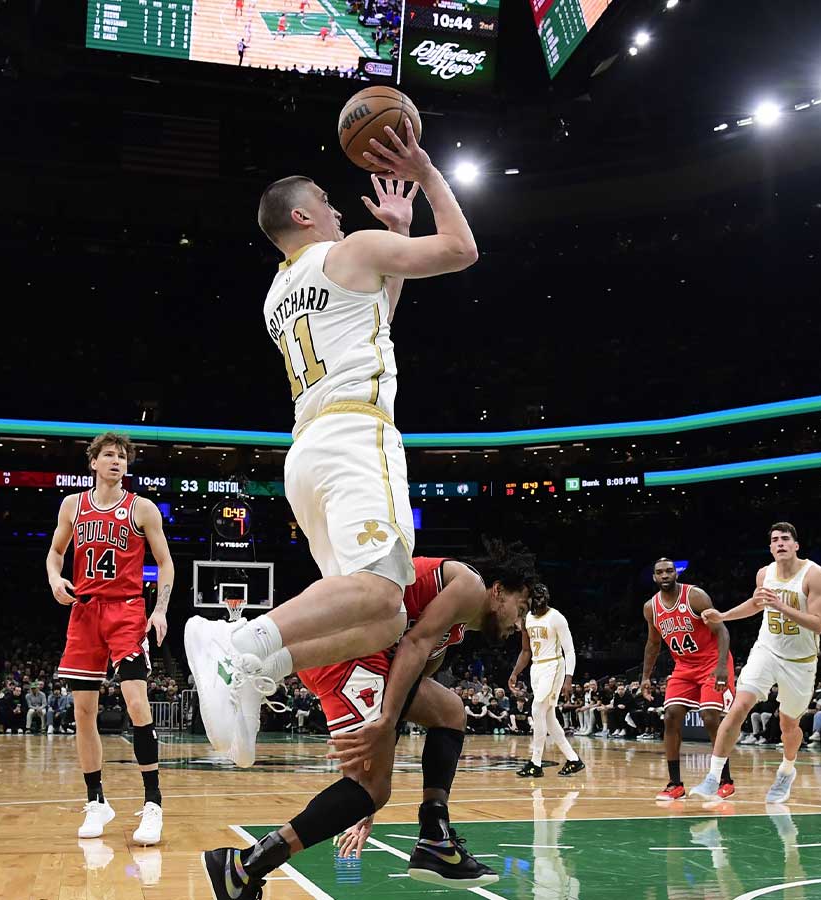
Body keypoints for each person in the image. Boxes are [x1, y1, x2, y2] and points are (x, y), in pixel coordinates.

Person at [185, 118, 479, 768]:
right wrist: (426, 172)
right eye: (326, 198)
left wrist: (396, 233)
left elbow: (375, 313)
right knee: (378, 592)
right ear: (301, 213)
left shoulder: (278, 294)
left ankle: (260, 665)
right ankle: (238, 644)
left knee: (381, 620)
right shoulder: (350, 252)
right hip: (355, 435)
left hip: (308, 452)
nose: (340, 207)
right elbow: (462, 250)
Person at [201, 545, 537, 899]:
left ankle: (435, 836)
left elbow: (406, 684)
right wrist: (384, 732)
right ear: (498, 591)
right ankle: (243, 867)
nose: (520, 624)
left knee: (449, 712)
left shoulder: (452, 630)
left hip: (358, 660)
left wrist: (366, 802)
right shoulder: (469, 585)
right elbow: (411, 645)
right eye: (522, 608)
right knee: (370, 788)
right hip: (345, 654)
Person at [44, 432, 177, 844]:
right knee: (83, 711)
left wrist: (159, 610)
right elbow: (55, 553)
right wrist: (54, 578)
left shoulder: (142, 508)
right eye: (109, 455)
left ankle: (152, 804)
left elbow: (165, 562)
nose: (116, 461)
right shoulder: (73, 506)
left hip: (126, 611)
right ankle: (96, 800)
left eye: (122, 456)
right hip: (84, 612)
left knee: (137, 702)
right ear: (94, 463)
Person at [690, 523, 821, 803]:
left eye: (785, 539)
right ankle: (713, 777)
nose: (780, 543)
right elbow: (756, 604)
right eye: (775, 540)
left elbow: (820, 624)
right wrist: (724, 616)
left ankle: (787, 770)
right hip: (766, 650)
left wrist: (781, 606)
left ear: (796, 545)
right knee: (738, 706)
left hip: (800, 661)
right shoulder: (764, 574)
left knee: (788, 725)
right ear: (770, 548)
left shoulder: (813, 574)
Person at [641, 558, 732, 800]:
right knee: (670, 716)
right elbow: (653, 643)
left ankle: (725, 780)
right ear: (654, 577)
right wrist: (645, 677)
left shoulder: (695, 596)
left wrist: (722, 665)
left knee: (710, 716)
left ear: (676, 573)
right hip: (684, 666)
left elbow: (721, 629)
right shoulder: (651, 607)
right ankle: (675, 784)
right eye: (659, 572)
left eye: (669, 571)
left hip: (712, 662)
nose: (665, 575)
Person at [509, 582, 584, 778]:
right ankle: (573, 759)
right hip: (537, 667)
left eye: (544, 598)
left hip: (554, 666)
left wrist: (569, 678)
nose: (540, 602)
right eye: (537, 598)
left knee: (536, 709)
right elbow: (526, 651)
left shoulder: (556, 618)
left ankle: (535, 763)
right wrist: (515, 672)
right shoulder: (527, 620)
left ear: (548, 598)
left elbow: (569, 650)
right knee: (548, 717)